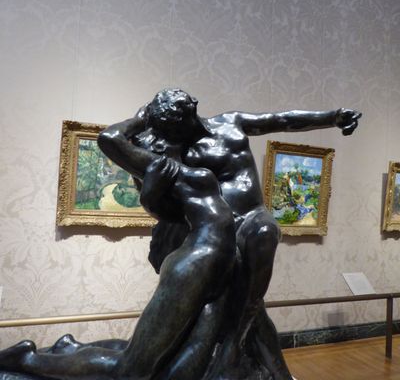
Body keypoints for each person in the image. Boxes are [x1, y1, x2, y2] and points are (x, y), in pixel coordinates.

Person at [99, 88, 361, 379]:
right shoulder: (170, 151)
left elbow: (282, 120)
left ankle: (235, 346)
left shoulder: (230, 123)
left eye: (178, 125)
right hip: (212, 233)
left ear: (193, 109)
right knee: (246, 308)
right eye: (170, 130)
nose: (176, 134)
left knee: (264, 232)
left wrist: (333, 117)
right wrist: (141, 120)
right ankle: (257, 363)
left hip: (251, 217)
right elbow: (158, 202)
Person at [0, 132, 237, 380]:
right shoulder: (192, 177)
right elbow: (109, 137)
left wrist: (149, 194)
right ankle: (26, 359)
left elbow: (171, 214)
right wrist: (149, 190)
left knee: (185, 364)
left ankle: (68, 348)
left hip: (215, 266)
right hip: (194, 266)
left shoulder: (195, 178)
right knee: (132, 370)